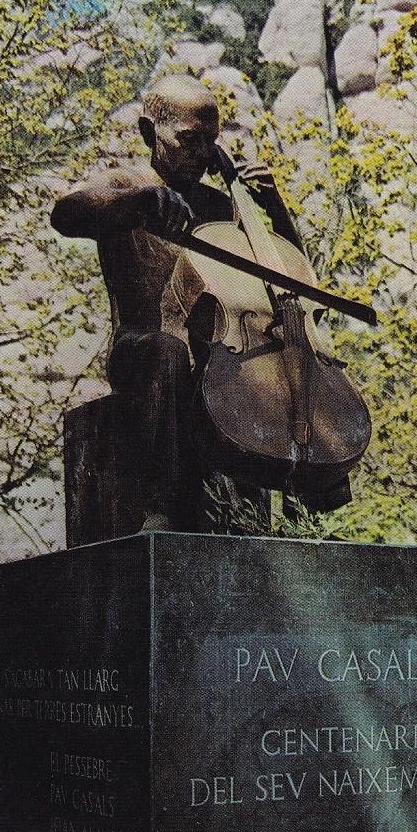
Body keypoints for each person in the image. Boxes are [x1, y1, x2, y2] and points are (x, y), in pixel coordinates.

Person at [51, 74, 303, 530]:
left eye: (211, 141)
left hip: (218, 348)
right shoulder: (126, 183)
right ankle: (159, 507)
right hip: (144, 345)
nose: (203, 154)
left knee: (273, 357)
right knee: (169, 353)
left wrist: (275, 207)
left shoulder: (222, 204)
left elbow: (289, 275)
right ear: (151, 133)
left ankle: (300, 494)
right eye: (188, 140)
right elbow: (67, 213)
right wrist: (137, 202)